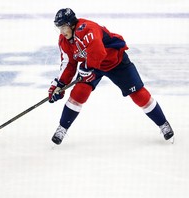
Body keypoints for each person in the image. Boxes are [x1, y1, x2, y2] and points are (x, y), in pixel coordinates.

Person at [48, 8, 174, 145]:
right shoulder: (64, 40)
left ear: (71, 24)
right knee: (79, 93)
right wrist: (59, 85)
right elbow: (68, 64)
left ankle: (163, 124)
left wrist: (87, 68)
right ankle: (62, 128)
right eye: (59, 28)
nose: (61, 31)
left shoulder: (86, 29)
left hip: (115, 62)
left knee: (139, 95)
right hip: (92, 65)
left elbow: (98, 51)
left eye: (63, 27)